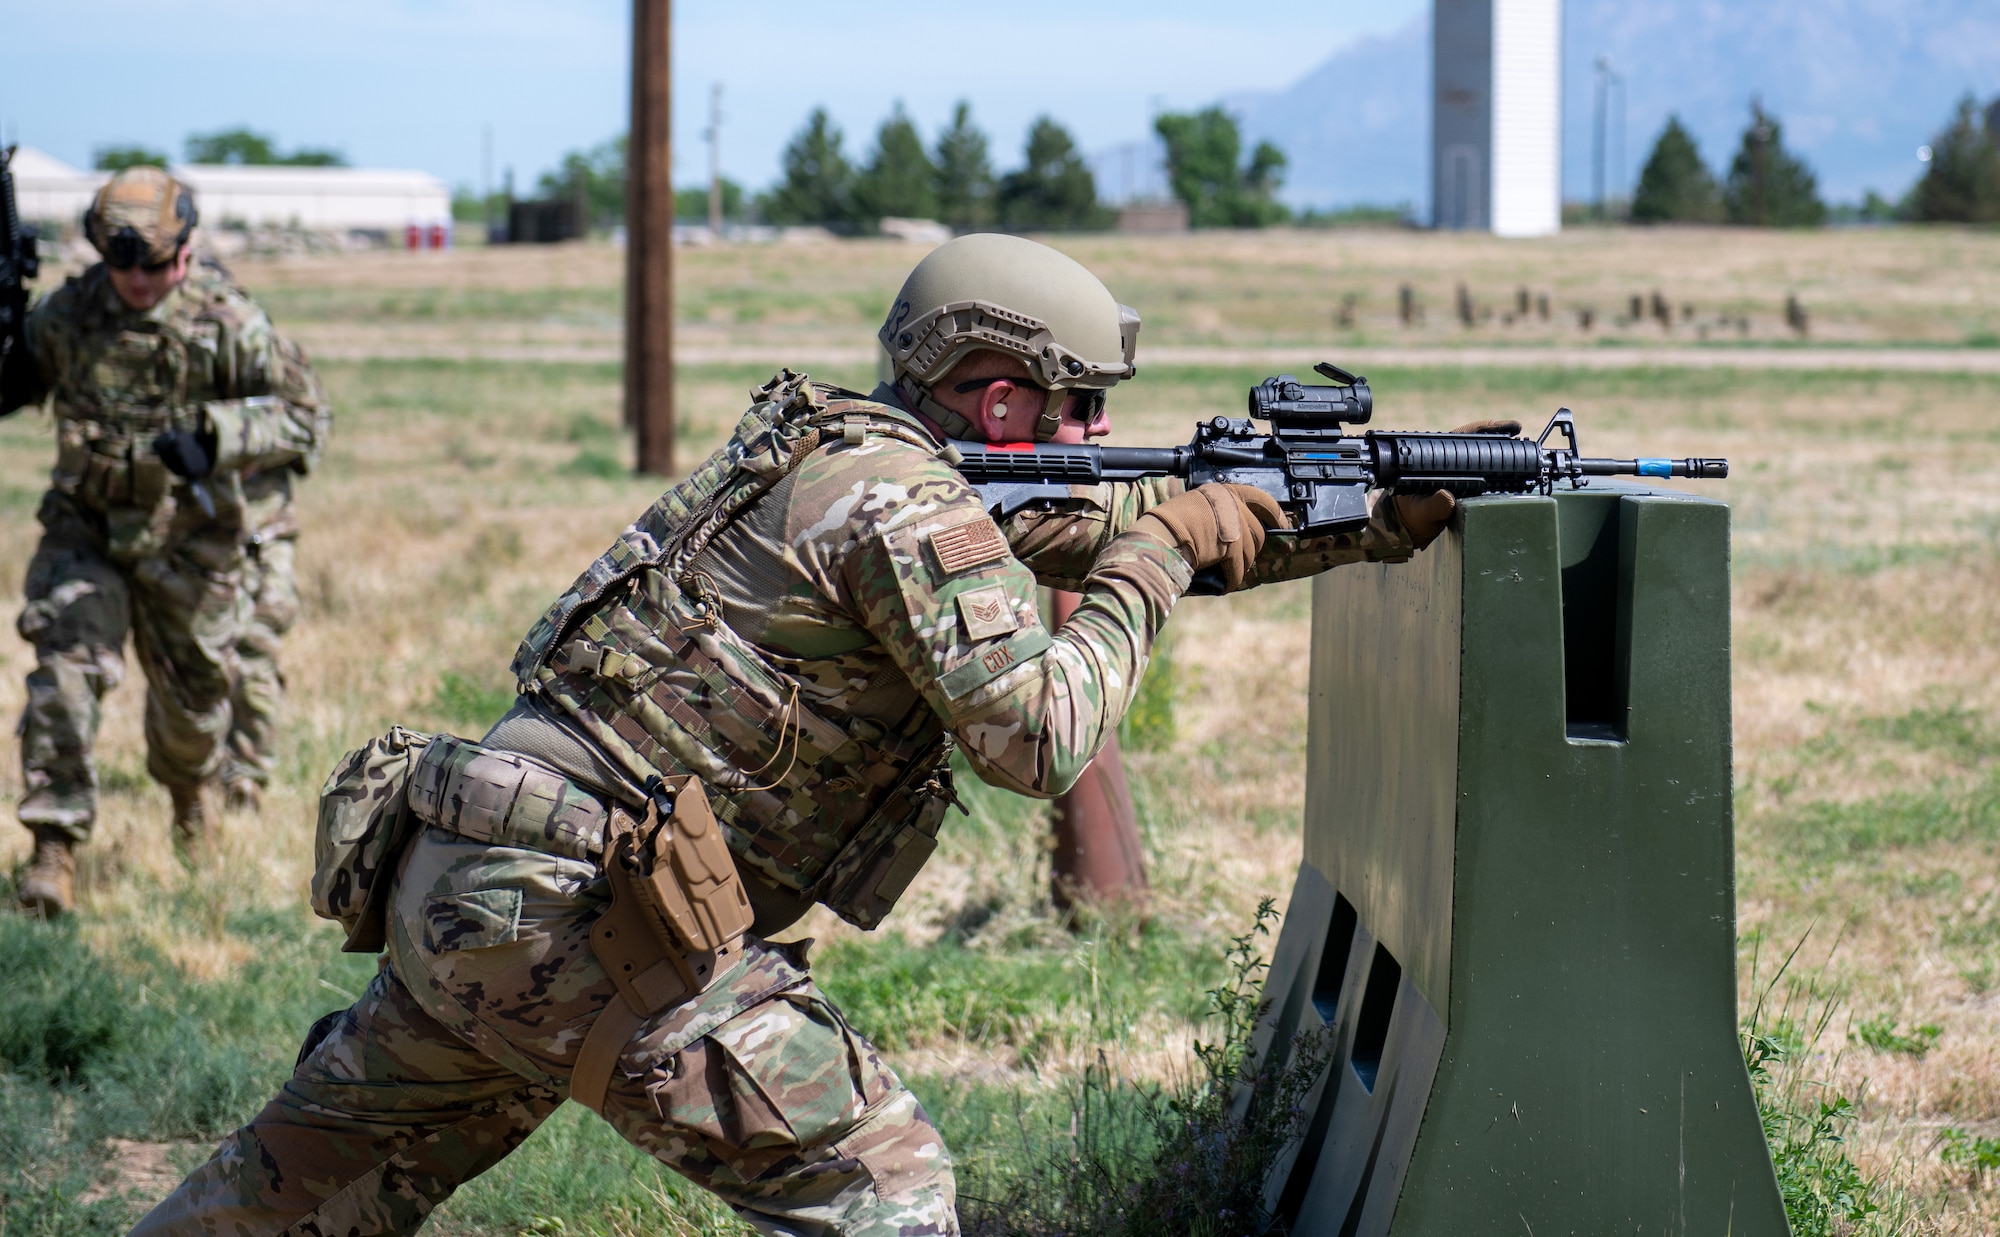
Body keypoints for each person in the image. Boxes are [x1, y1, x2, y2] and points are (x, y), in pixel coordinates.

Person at [133, 234, 1457, 1236]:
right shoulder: (908, 508)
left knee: (289, 1198)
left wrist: (1333, 522)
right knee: (884, 1182)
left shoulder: (829, 453)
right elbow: (1041, 734)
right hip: (594, 918)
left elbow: (1079, 533)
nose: (1103, 436)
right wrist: (1167, 550)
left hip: (472, 879)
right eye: (1082, 406)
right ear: (999, 406)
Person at [0, 166, 330, 916]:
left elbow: (306, 417)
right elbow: (17, 383)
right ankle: (53, 852)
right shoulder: (69, 316)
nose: (140, 282)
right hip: (85, 532)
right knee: (65, 674)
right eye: (123, 267)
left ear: (184, 248)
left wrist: (218, 438)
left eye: (155, 265)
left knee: (193, 707)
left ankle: (192, 802)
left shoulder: (228, 322)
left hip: (190, 540)